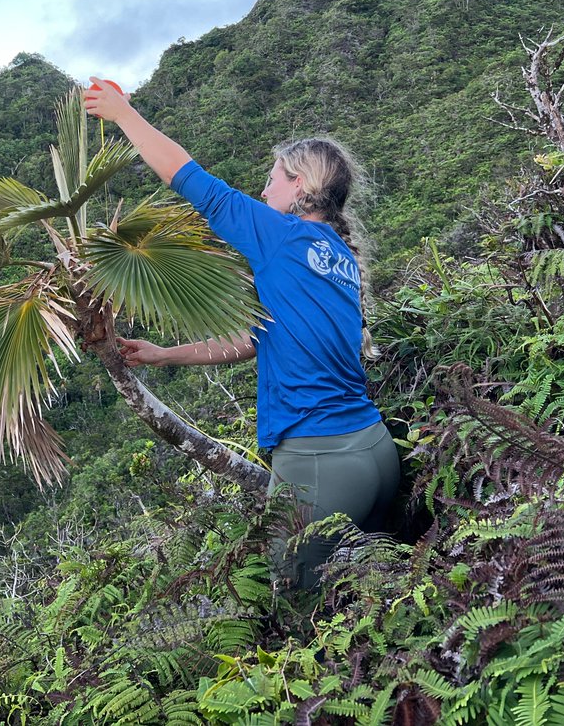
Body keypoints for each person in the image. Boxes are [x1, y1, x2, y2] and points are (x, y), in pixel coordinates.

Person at [82, 79, 400, 591]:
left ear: (300, 185)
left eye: (272, 180)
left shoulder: (283, 236)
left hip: (319, 460)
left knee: (293, 603)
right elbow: (257, 339)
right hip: (375, 451)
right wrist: (165, 355)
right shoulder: (337, 253)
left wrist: (123, 114)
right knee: (378, 592)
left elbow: (191, 180)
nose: (263, 191)